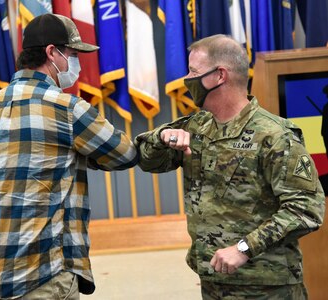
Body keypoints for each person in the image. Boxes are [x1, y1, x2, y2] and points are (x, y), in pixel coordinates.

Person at [0, 14, 138, 299]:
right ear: (52, 53)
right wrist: (81, 153)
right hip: (44, 277)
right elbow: (125, 153)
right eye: (73, 54)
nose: (77, 63)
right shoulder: (67, 109)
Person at [134, 34, 325, 299]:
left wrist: (245, 248)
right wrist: (161, 138)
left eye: (193, 71)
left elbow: (306, 209)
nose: (186, 79)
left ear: (219, 75)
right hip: (213, 280)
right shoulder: (197, 127)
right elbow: (146, 159)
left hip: (268, 286)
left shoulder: (274, 136)